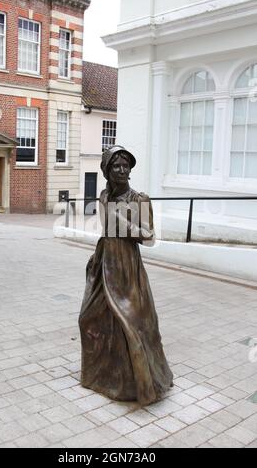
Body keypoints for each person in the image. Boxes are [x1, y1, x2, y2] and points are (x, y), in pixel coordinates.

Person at [79, 145, 173, 406]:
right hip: (104, 261)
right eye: (116, 166)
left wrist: (122, 222)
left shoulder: (139, 199)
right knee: (88, 318)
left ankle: (137, 384)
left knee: (130, 324)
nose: (122, 170)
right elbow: (106, 228)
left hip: (126, 266)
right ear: (107, 171)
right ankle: (101, 376)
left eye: (125, 165)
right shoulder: (103, 196)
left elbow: (149, 237)